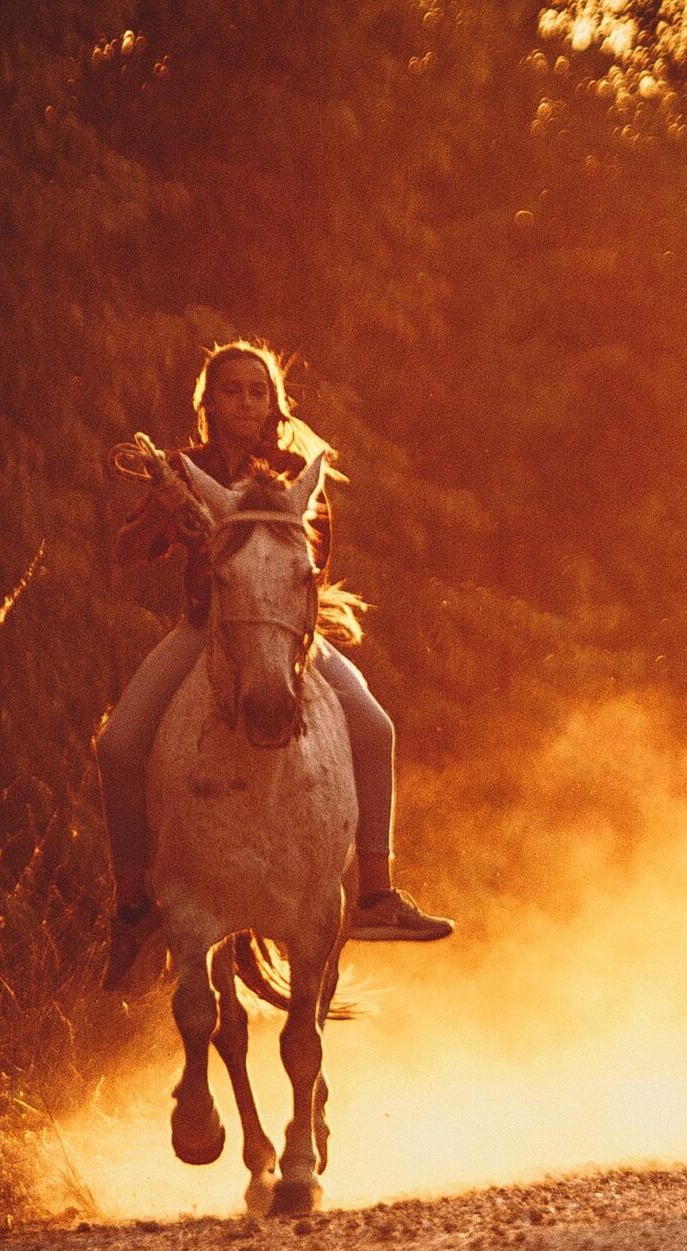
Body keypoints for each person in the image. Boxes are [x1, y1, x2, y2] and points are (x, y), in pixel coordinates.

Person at [99, 341, 453, 990]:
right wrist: (170, 514)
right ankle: (133, 906)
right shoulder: (181, 468)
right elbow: (128, 548)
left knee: (375, 728)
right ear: (209, 403)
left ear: (273, 405)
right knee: (120, 744)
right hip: (204, 630)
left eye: (257, 392)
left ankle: (376, 890)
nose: (245, 401)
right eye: (231, 390)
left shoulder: (293, 472)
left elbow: (310, 557)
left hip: (285, 634)